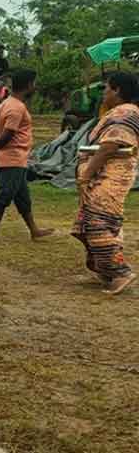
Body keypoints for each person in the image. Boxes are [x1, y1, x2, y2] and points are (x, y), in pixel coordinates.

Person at [72, 71, 139, 295]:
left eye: (106, 88)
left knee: (97, 223)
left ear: (117, 90)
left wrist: (86, 175)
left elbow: (110, 146)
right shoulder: (119, 112)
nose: (103, 93)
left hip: (110, 177)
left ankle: (120, 272)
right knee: (85, 223)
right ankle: (105, 269)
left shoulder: (126, 113)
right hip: (103, 176)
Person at [0, 70, 55, 244]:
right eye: (34, 83)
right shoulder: (17, 107)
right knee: (5, 195)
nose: (35, 87)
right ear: (29, 85)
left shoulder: (6, 103)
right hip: (13, 158)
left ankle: (34, 230)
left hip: (17, 158)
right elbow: (9, 132)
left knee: (23, 197)